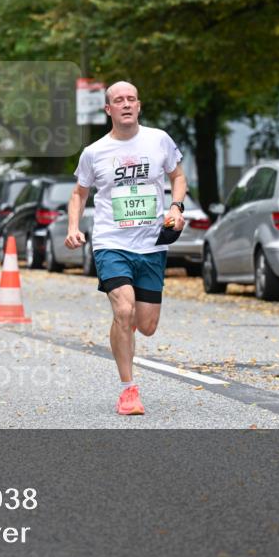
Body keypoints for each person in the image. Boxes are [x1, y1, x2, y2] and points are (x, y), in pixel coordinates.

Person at [65, 81, 187, 416]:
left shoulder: (158, 140)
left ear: (139, 105)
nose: (126, 104)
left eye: (132, 98)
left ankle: (126, 328)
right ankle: (127, 390)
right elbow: (79, 194)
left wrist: (176, 207)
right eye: (119, 100)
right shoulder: (94, 152)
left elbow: (178, 177)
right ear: (109, 110)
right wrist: (74, 227)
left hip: (150, 245)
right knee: (123, 309)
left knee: (145, 325)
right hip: (111, 243)